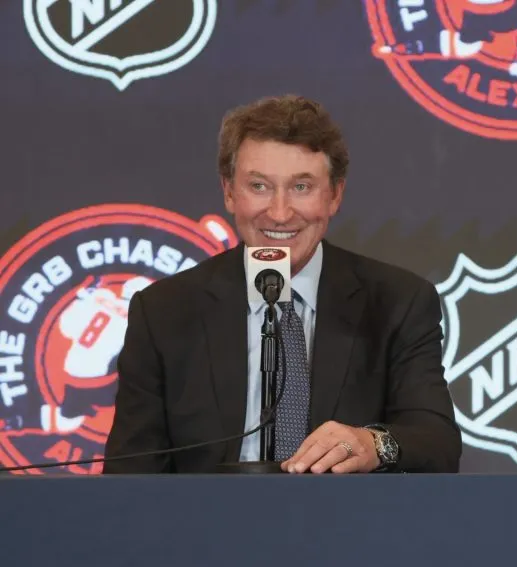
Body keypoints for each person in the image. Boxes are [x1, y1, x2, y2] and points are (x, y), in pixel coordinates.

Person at [104, 95, 462, 474]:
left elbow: (436, 442)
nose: (279, 212)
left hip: (347, 525)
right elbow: (130, 473)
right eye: (259, 186)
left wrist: (374, 442)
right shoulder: (163, 312)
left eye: (301, 188)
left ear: (335, 194)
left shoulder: (397, 302)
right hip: (204, 526)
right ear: (229, 192)